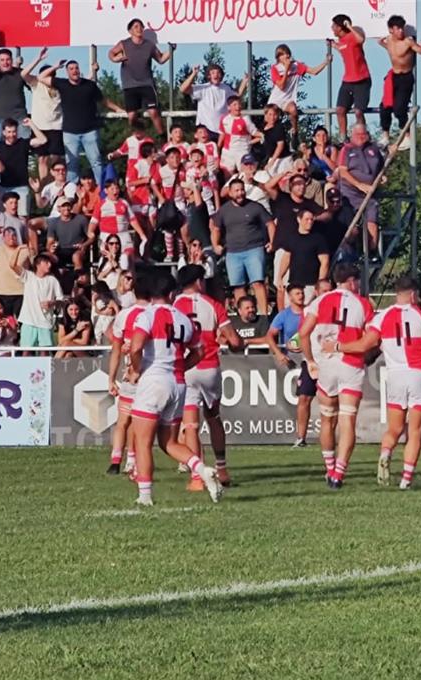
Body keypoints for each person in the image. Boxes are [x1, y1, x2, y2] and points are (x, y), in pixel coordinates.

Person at [324, 275, 421, 490]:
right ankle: (406, 479)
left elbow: (364, 344)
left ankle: (385, 454)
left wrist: (337, 347)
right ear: (413, 295)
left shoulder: (382, 317)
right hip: (418, 375)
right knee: (415, 430)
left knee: (394, 428)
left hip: (394, 376)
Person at [123, 270, 223, 506]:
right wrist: (181, 365)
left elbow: (136, 347)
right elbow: (199, 351)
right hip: (177, 383)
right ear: (171, 293)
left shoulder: (146, 315)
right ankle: (201, 469)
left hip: (154, 380)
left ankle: (145, 495)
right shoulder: (183, 318)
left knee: (143, 441)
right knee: (168, 442)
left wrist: (136, 370)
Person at [300, 264, 375, 487]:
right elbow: (373, 338)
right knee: (347, 420)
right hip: (351, 364)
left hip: (327, 366)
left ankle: (329, 467)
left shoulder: (321, 300)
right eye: (357, 281)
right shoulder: (362, 303)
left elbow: (303, 333)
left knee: (327, 419)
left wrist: (311, 361)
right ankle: (338, 474)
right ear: (351, 282)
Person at [173, 265, 241, 491]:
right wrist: (239, 344)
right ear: (198, 282)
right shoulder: (213, 304)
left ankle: (197, 477)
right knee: (214, 418)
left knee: (191, 425)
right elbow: (233, 339)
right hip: (209, 366)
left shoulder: (175, 306)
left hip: (187, 367)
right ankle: (222, 469)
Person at [42, 57, 124, 183]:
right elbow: (41, 78)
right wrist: (56, 67)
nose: (74, 71)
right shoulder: (62, 84)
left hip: (90, 131)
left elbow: (103, 100)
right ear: (67, 72)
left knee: (96, 162)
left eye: (76, 68)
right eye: (71, 69)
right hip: (70, 132)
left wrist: (118, 109)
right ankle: (72, 193)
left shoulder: (89, 85)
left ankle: (101, 189)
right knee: (72, 165)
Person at [210, 179, 274, 315]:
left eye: (242, 190)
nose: (240, 193)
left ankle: (263, 315)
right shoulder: (224, 210)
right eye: (237, 191)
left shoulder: (255, 207)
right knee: (237, 287)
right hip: (233, 253)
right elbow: (216, 229)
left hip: (254, 249)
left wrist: (272, 242)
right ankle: (244, 316)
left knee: (258, 283)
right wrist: (216, 245)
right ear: (230, 192)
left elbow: (270, 223)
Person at [105, 285, 148, 476]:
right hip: (150, 376)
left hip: (129, 374)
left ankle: (116, 462)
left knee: (123, 420)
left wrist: (111, 379)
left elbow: (115, 348)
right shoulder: (155, 314)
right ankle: (132, 460)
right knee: (141, 421)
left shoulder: (124, 315)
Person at [108, 19, 172, 136]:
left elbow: (161, 59)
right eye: (136, 27)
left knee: (153, 112)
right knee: (132, 116)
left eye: (141, 26)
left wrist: (172, 50)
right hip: (130, 85)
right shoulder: (124, 43)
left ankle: (162, 138)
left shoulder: (149, 45)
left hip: (147, 84)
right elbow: (111, 53)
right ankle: (139, 137)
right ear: (130, 31)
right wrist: (116, 58)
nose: (139, 29)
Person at [378, 15, 421, 149]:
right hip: (393, 76)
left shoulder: (408, 41)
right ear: (391, 30)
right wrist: (380, 42)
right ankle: (385, 135)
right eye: (397, 29)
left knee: (399, 108)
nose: (401, 31)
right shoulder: (389, 40)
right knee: (384, 107)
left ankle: (406, 135)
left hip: (406, 77)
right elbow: (387, 48)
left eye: (402, 28)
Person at [334, 123, 384, 259]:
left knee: (372, 222)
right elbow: (342, 172)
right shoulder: (346, 149)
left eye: (364, 134)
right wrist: (359, 184)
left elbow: (381, 167)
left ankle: (372, 252)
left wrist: (382, 177)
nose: (362, 137)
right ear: (353, 135)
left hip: (370, 192)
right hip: (350, 192)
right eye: (359, 134)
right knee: (352, 227)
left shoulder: (374, 149)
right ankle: (350, 252)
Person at [270, 44, 330, 141]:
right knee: (272, 122)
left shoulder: (296, 65)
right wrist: (286, 69)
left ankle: (294, 132)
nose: (286, 56)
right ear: (278, 57)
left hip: (288, 99)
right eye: (283, 54)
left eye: (287, 53)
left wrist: (325, 62)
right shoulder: (275, 68)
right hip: (276, 100)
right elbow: (281, 86)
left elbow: (314, 71)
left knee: (293, 110)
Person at [180, 65, 249, 144]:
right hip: (206, 130)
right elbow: (183, 89)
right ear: (209, 75)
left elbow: (237, 95)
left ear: (221, 75)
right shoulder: (203, 88)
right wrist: (194, 74)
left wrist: (245, 80)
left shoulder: (225, 88)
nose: (215, 75)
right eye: (213, 73)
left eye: (218, 73)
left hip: (222, 130)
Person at [0, 119, 48, 216]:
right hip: (4, 187)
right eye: (9, 132)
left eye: (14, 131)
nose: (12, 134)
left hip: (22, 187)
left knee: (23, 217)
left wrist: (31, 124)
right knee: (3, 218)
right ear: (4, 132)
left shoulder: (23, 143)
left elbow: (43, 140)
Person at [331, 15, 371, 140]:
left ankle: (362, 136)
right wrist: (333, 45)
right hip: (347, 81)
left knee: (358, 112)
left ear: (340, 27)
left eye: (334, 26)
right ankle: (343, 138)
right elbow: (343, 49)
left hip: (362, 80)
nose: (332, 28)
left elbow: (361, 39)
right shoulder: (342, 41)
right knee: (340, 110)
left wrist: (349, 26)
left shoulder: (352, 37)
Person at [21, 49, 65, 163]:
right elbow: (24, 74)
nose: (49, 77)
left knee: (56, 159)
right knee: (42, 159)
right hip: (39, 126)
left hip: (57, 126)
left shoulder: (59, 85)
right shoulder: (36, 83)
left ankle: (54, 181)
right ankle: (43, 181)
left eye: (52, 74)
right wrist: (38, 59)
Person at [14, 252, 61, 349]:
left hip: (46, 322)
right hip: (28, 321)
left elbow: (62, 300)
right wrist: (18, 249)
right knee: (26, 352)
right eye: (46, 262)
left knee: (45, 352)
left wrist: (52, 303)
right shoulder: (28, 276)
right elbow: (12, 265)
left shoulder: (53, 280)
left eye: (50, 262)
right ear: (38, 265)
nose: (50, 265)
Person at [217, 96, 260, 174]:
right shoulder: (224, 118)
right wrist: (218, 148)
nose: (238, 107)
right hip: (228, 151)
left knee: (243, 174)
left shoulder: (245, 119)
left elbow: (257, 134)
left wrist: (249, 142)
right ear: (229, 107)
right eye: (235, 104)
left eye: (239, 104)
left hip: (242, 150)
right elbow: (222, 133)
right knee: (227, 174)